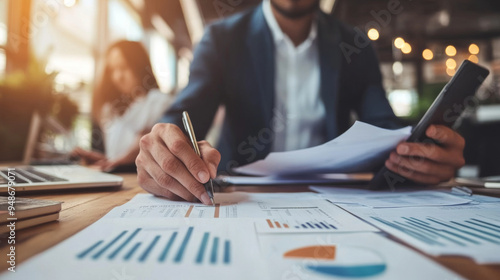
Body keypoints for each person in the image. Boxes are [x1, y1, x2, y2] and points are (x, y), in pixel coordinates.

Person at [135, 0, 466, 204]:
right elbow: (188, 113)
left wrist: (422, 149)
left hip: (334, 199)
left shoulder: (354, 44)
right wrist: (164, 146)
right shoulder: (222, 40)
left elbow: (383, 123)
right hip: (243, 197)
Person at [73, 40, 173, 171]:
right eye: (113, 70)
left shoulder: (159, 102)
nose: (118, 77)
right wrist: (104, 161)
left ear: (139, 66)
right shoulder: (112, 110)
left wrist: (118, 162)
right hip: (120, 177)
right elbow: (119, 158)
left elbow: (151, 153)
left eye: (124, 67)